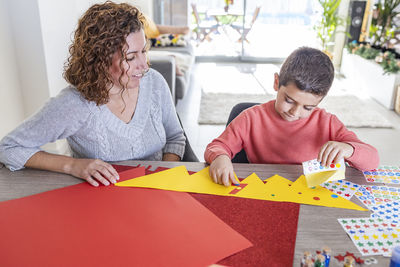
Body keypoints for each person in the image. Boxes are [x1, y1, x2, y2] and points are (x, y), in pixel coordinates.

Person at [0, 1, 186, 187]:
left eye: (144, 51)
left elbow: (175, 138)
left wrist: (163, 178)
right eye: (130, 57)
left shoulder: (154, 82)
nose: (144, 65)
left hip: (156, 194)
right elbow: (8, 148)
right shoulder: (74, 104)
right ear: (101, 60)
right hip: (103, 204)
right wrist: (72, 165)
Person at [204, 47, 379, 186]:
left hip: (309, 198)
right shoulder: (251, 118)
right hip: (263, 191)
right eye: (289, 100)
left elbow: (373, 160)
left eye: (308, 107)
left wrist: (349, 149)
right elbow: (217, 146)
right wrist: (221, 158)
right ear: (276, 83)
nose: (295, 112)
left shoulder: (327, 123)